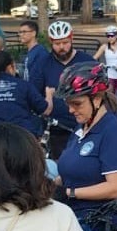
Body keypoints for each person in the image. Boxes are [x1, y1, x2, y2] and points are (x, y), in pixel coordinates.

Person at [55, 62, 117, 231]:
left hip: (102, 227)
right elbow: (74, 170)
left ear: (96, 99)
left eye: (77, 104)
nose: (70, 110)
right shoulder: (81, 128)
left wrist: (70, 193)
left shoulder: (113, 132)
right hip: (77, 221)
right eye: (68, 104)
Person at [32, 21, 95, 156]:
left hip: (85, 126)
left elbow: (100, 91)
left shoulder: (87, 61)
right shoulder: (42, 63)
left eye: (65, 42)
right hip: (55, 129)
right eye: (57, 43)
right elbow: (34, 95)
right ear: (51, 42)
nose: (61, 47)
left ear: (72, 38)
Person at [94, 24, 117, 90]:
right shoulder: (104, 47)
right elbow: (94, 58)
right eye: (108, 36)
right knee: (110, 94)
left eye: (112, 36)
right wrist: (99, 64)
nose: (110, 38)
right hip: (110, 77)